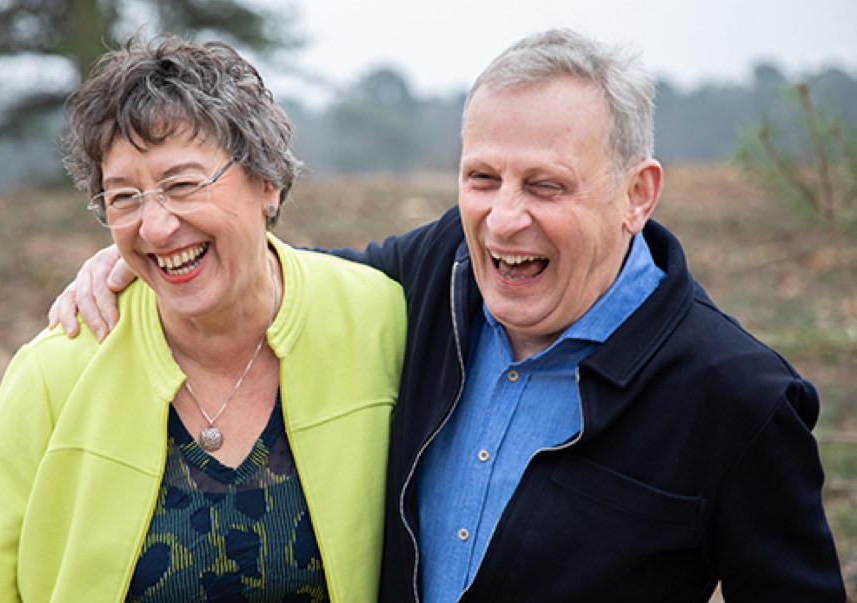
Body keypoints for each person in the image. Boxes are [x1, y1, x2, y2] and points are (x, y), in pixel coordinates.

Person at [48, 29, 846, 601]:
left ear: (637, 193)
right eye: (481, 177)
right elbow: (289, 283)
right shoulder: (437, 271)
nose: (502, 219)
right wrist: (155, 247)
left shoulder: (735, 398)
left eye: (544, 186)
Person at [0, 35, 407, 603]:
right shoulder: (53, 376)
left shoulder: (379, 324)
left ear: (266, 180)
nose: (154, 227)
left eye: (182, 185)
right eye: (123, 197)